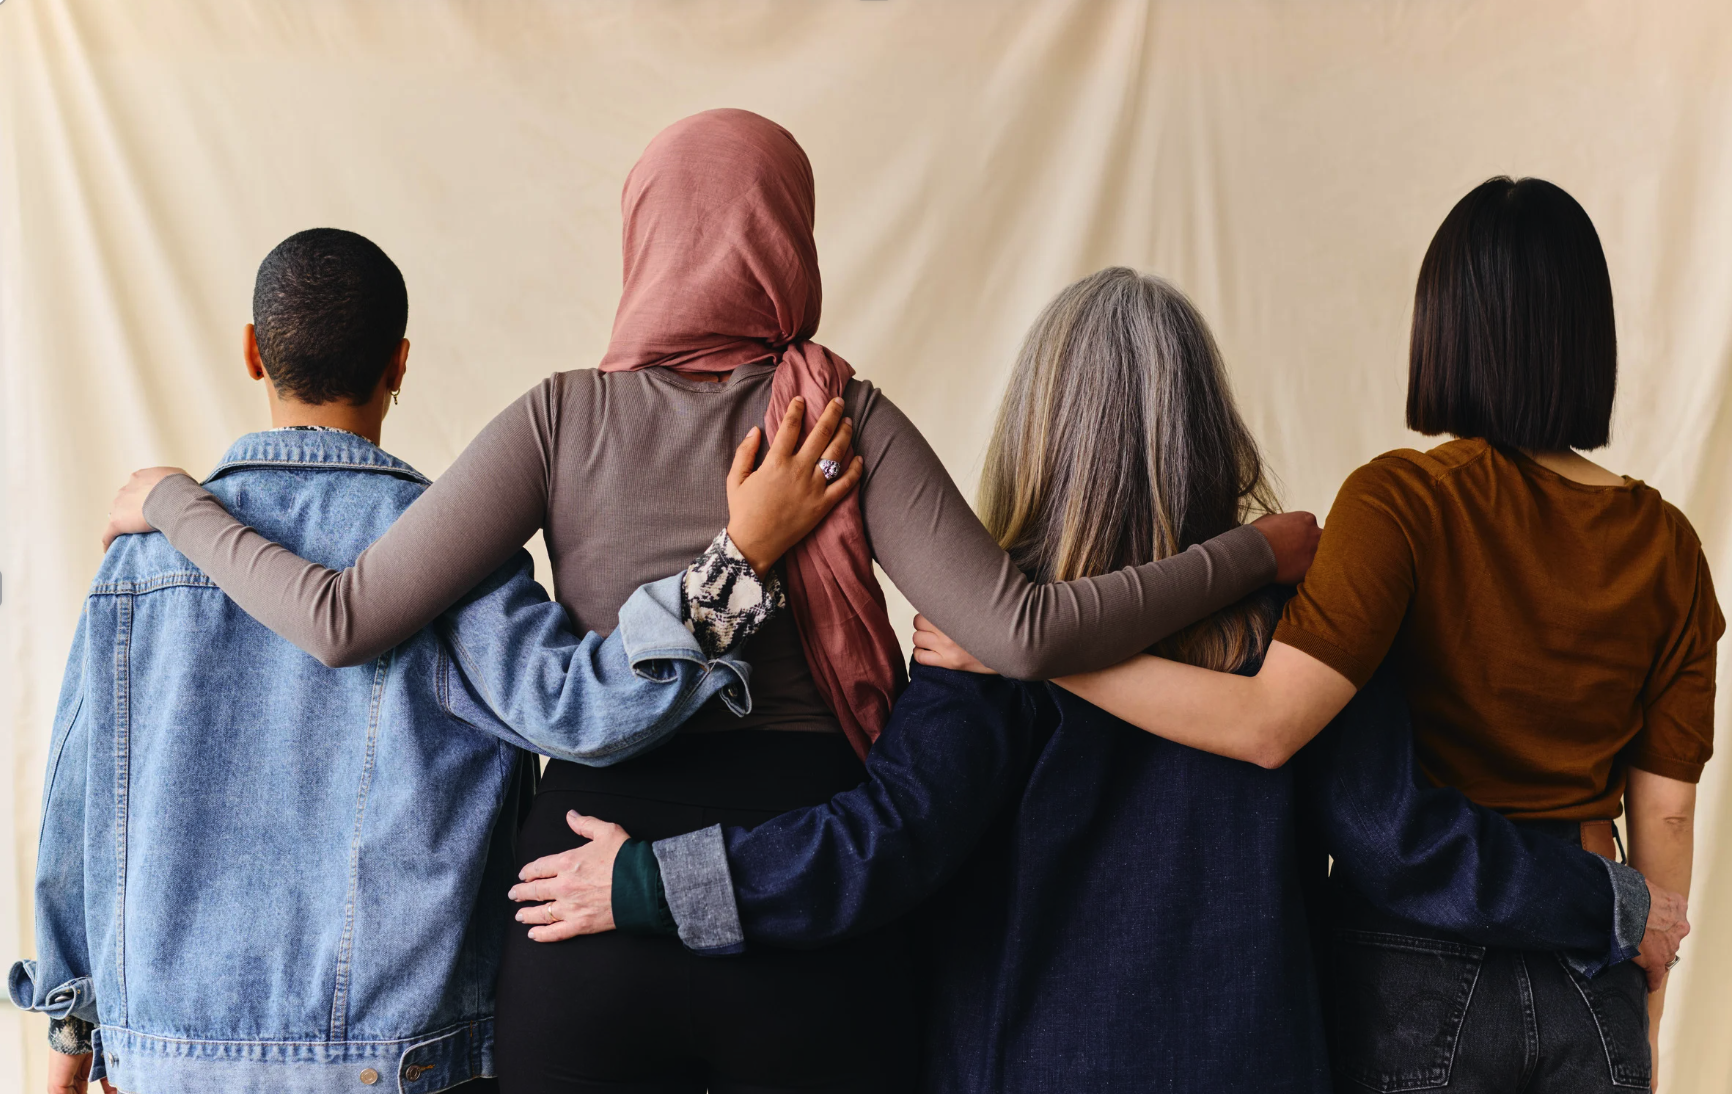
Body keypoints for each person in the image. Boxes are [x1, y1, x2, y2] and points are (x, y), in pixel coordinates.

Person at [99, 113, 1324, 1093]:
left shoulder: (557, 415)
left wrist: (172, 499)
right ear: (791, 238)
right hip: (807, 919)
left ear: (641, 238)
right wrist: (1250, 552)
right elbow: (1020, 630)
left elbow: (341, 615)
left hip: (577, 909)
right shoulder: (840, 417)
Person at [512, 268, 1672, 1093]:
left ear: (1038, 427)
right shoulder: (1301, 630)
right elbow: (1401, 841)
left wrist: (656, 883)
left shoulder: (979, 648)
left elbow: (877, 848)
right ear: (1211, 430)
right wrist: (1611, 906)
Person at [13, 228, 851, 1094]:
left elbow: (80, 812)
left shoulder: (142, 559)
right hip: (401, 1067)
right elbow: (583, 710)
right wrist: (734, 564)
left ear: (253, 353)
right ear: (401, 364)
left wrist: (70, 1048)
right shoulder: (448, 557)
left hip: (165, 1061)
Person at [957, 180, 1713, 1092]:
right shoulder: (1668, 543)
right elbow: (1665, 809)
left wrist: (1029, 643)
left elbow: (1270, 724)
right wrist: (1649, 966)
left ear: (1444, 326)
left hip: (1416, 962)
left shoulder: (1400, 503)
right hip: (1591, 944)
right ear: (1595, 338)